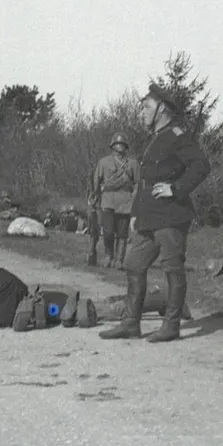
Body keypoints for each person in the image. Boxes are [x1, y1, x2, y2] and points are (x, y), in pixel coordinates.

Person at [99, 84, 211, 343]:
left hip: (171, 215)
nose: (142, 112)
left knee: (172, 268)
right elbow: (145, 182)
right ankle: (130, 323)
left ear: (163, 110)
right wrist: (136, 213)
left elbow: (201, 165)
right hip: (149, 215)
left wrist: (177, 188)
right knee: (133, 264)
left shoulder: (177, 136)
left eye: (146, 107)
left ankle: (171, 325)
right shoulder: (156, 139)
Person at [91, 133, 140, 269]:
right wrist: (95, 194)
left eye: (123, 144)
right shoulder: (103, 162)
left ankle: (119, 260)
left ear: (126, 147)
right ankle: (109, 256)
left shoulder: (132, 164)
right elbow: (96, 180)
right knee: (107, 232)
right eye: (118, 144)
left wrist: (134, 197)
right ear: (112, 146)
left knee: (122, 233)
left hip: (125, 202)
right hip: (108, 200)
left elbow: (137, 183)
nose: (120, 146)